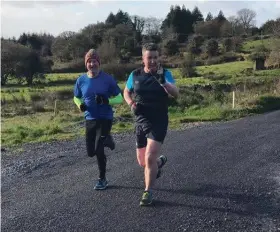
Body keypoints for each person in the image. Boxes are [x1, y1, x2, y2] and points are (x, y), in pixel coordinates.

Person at [123, 43, 179, 206]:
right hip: (140, 120)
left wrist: (163, 82)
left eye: (155, 57)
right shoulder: (135, 75)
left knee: (149, 157)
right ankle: (159, 163)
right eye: (149, 58)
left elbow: (175, 93)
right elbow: (126, 91)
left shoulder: (165, 74)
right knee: (143, 162)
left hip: (159, 120)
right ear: (143, 59)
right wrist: (131, 103)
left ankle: (148, 192)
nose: (153, 61)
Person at [73, 49, 123, 190]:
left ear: (99, 63)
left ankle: (102, 179)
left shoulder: (107, 79)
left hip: (105, 118)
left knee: (98, 149)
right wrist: (80, 105)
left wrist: (106, 101)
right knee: (90, 152)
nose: (92, 64)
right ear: (86, 64)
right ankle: (108, 139)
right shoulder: (81, 80)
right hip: (90, 119)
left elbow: (119, 98)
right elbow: (76, 96)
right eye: (89, 61)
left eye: (94, 61)